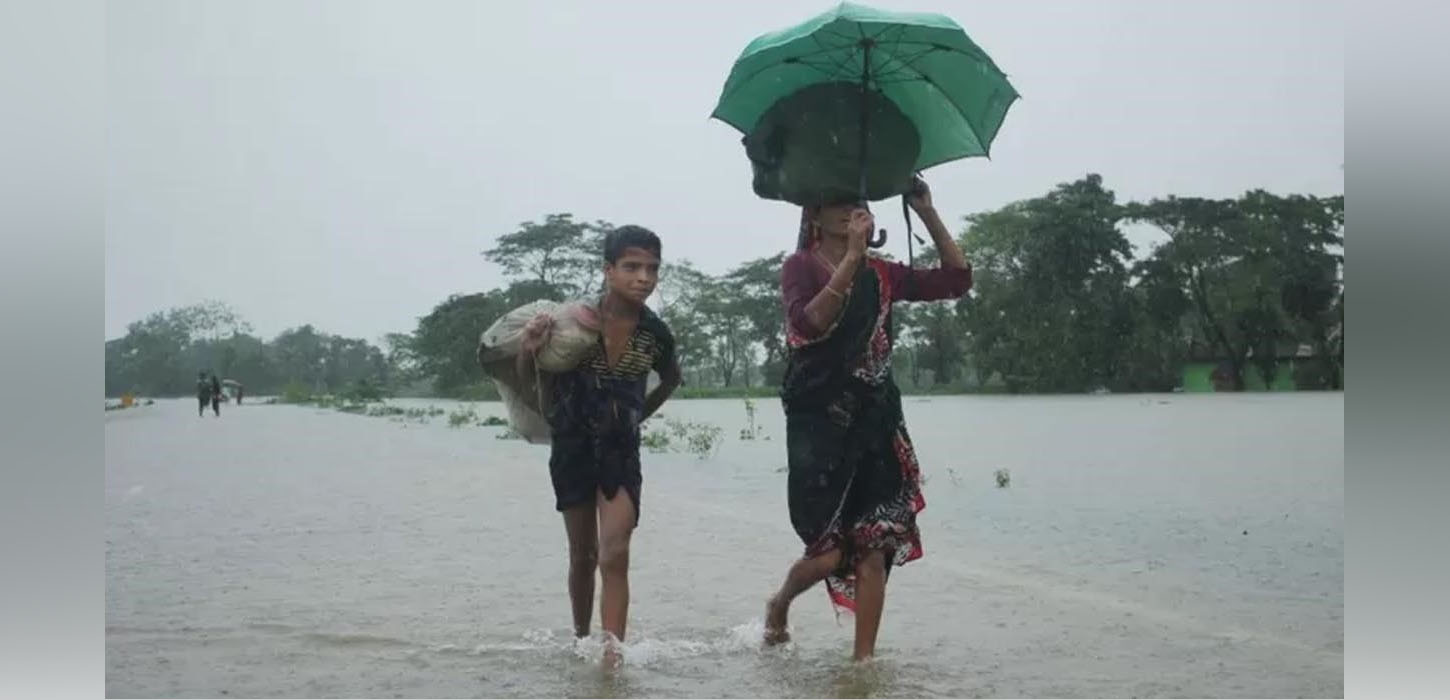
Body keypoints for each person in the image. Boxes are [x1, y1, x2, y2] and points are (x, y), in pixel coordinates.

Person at [763, 178, 973, 661]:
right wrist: (852, 260)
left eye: (857, 202)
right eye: (837, 202)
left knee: (875, 545)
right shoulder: (799, 267)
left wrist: (926, 212)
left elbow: (957, 280)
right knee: (827, 556)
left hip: (876, 420)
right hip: (820, 422)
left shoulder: (883, 273)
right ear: (813, 217)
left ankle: (863, 668)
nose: (850, 210)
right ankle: (780, 604)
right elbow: (809, 324)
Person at [517, 225, 683, 664]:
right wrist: (531, 346)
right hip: (572, 446)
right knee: (583, 555)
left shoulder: (655, 334)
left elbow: (671, 378)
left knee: (616, 551)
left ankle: (612, 657)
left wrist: (637, 416)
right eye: (631, 267)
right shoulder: (572, 323)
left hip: (620, 452)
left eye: (651, 269)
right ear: (608, 270)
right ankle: (579, 639)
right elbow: (530, 375)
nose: (643, 278)